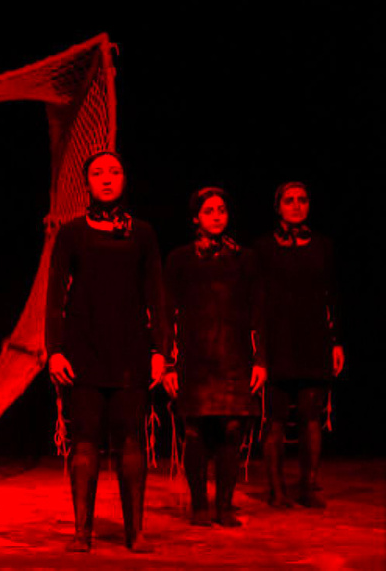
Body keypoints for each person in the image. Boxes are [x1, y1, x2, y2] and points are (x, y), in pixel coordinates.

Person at [46, 150, 166, 553]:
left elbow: (156, 294)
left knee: (131, 437)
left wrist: (160, 350)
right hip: (83, 349)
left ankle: (136, 531)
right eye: (98, 173)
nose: (107, 178)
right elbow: (55, 295)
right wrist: (54, 350)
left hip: (131, 350)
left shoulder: (142, 233)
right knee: (84, 438)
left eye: (114, 171)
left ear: (125, 179)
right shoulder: (72, 233)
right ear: (87, 183)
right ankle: (82, 531)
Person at [162, 187, 266, 527]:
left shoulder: (245, 259)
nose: (217, 216)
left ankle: (224, 505)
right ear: (196, 218)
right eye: (209, 210)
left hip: (234, 356)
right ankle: (199, 505)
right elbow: (167, 311)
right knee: (195, 431)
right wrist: (168, 363)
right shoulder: (180, 259)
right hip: (194, 356)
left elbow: (258, 310)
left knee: (232, 429)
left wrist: (261, 360)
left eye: (221, 209)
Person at [255, 181, 344, 508]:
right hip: (278, 339)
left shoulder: (322, 246)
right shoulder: (263, 248)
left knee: (311, 415)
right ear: (278, 206)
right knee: (275, 417)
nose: (296, 205)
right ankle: (276, 489)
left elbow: (331, 294)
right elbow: (257, 298)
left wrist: (336, 341)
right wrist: (258, 348)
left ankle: (309, 485)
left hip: (313, 338)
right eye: (289, 200)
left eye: (302, 200)